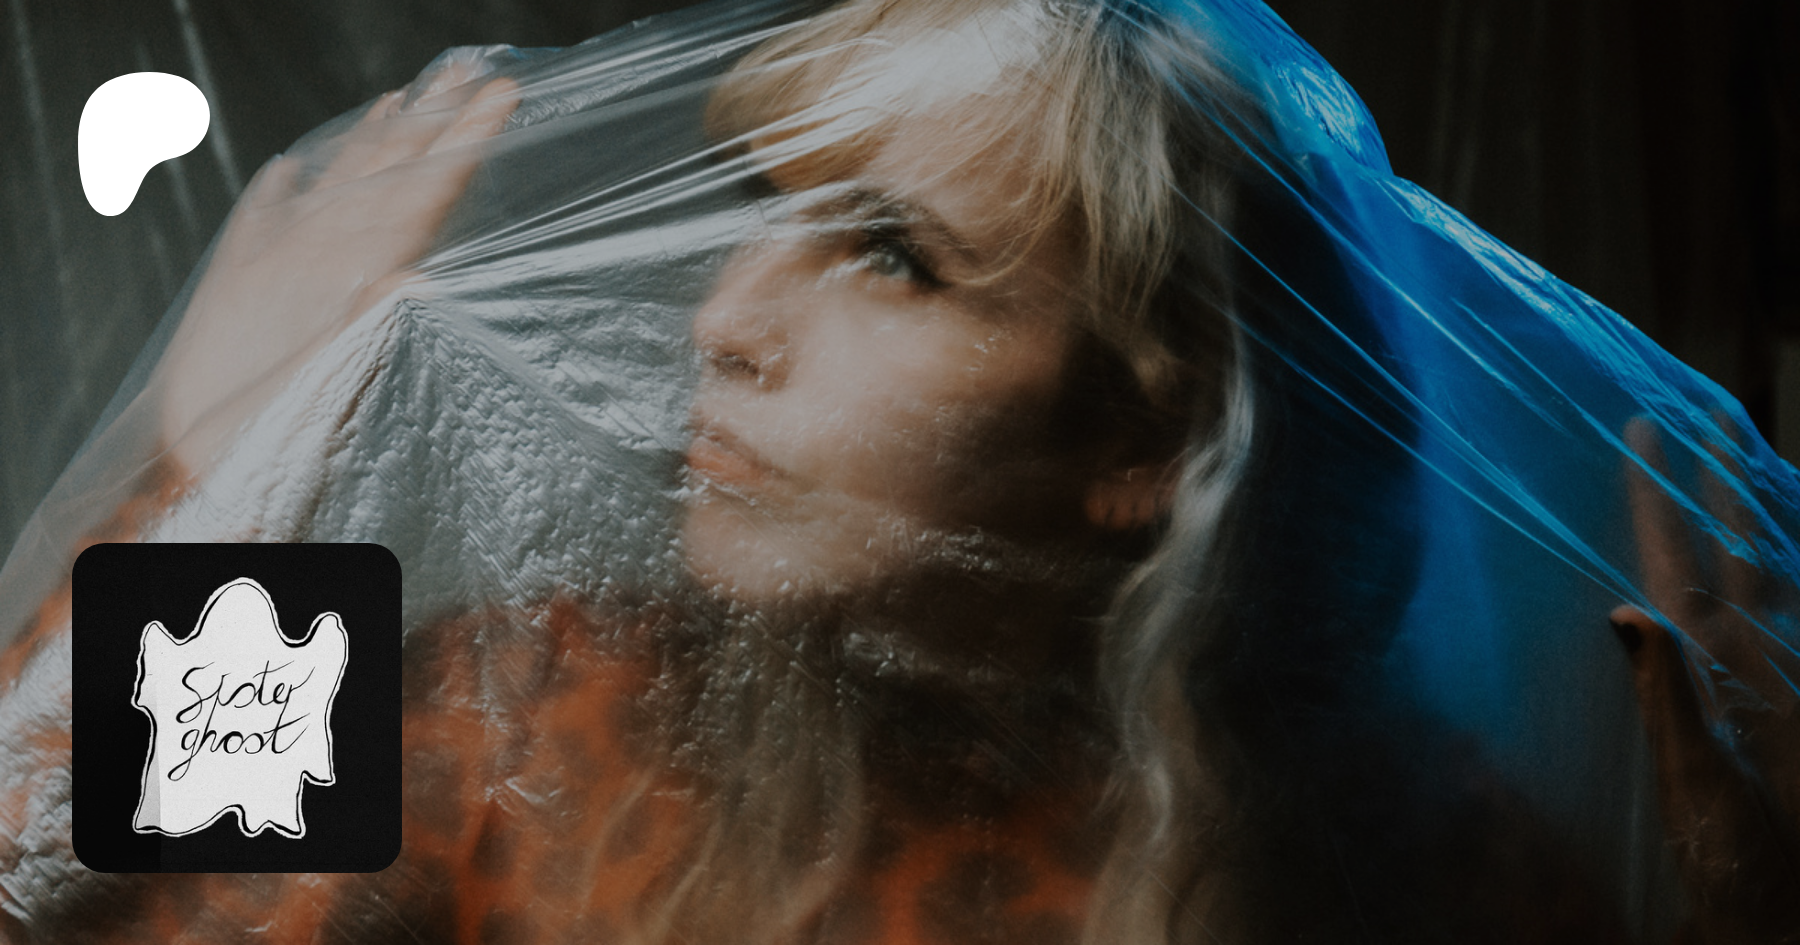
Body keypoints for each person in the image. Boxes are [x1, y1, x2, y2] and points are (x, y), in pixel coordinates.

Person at [0, 0, 1794, 941]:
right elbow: (73, 914)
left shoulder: (1428, 874)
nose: (725, 320)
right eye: (762, 208)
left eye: (892, 255)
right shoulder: (544, 718)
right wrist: (222, 475)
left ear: (1150, 442)